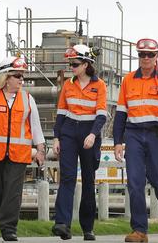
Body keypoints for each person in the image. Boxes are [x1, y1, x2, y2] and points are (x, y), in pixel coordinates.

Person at [113, 38, 158, 243]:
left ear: (157, 56)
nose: (146, 58)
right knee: (134, 183)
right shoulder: (128, 80)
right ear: (138, 56)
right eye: (142, 54)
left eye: (150, 54)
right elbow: (121, 114)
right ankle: (140, 230)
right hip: (133, 135)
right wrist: (118, 142)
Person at [0, 56, 46, 242]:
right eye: (17, 76)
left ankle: (9, 228)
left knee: (13, 191)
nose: (22, 80)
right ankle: (4, 222)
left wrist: (40, 149)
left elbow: (35, 126)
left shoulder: (28, 99)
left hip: (19, 154)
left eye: (22, 76)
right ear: (6, 77)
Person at [52, 44, 107, 241]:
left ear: (86, 64)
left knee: (88, 181)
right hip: (69, 132)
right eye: (70, 64)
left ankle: (87, 228)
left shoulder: (99, 85)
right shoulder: (68, 84)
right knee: (67, 178)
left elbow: (101, 115)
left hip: (89, 133)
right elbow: (60, 114)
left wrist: (93, 135)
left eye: (75, 64)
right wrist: (56, 137)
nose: (71, 67)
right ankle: (62, 224)